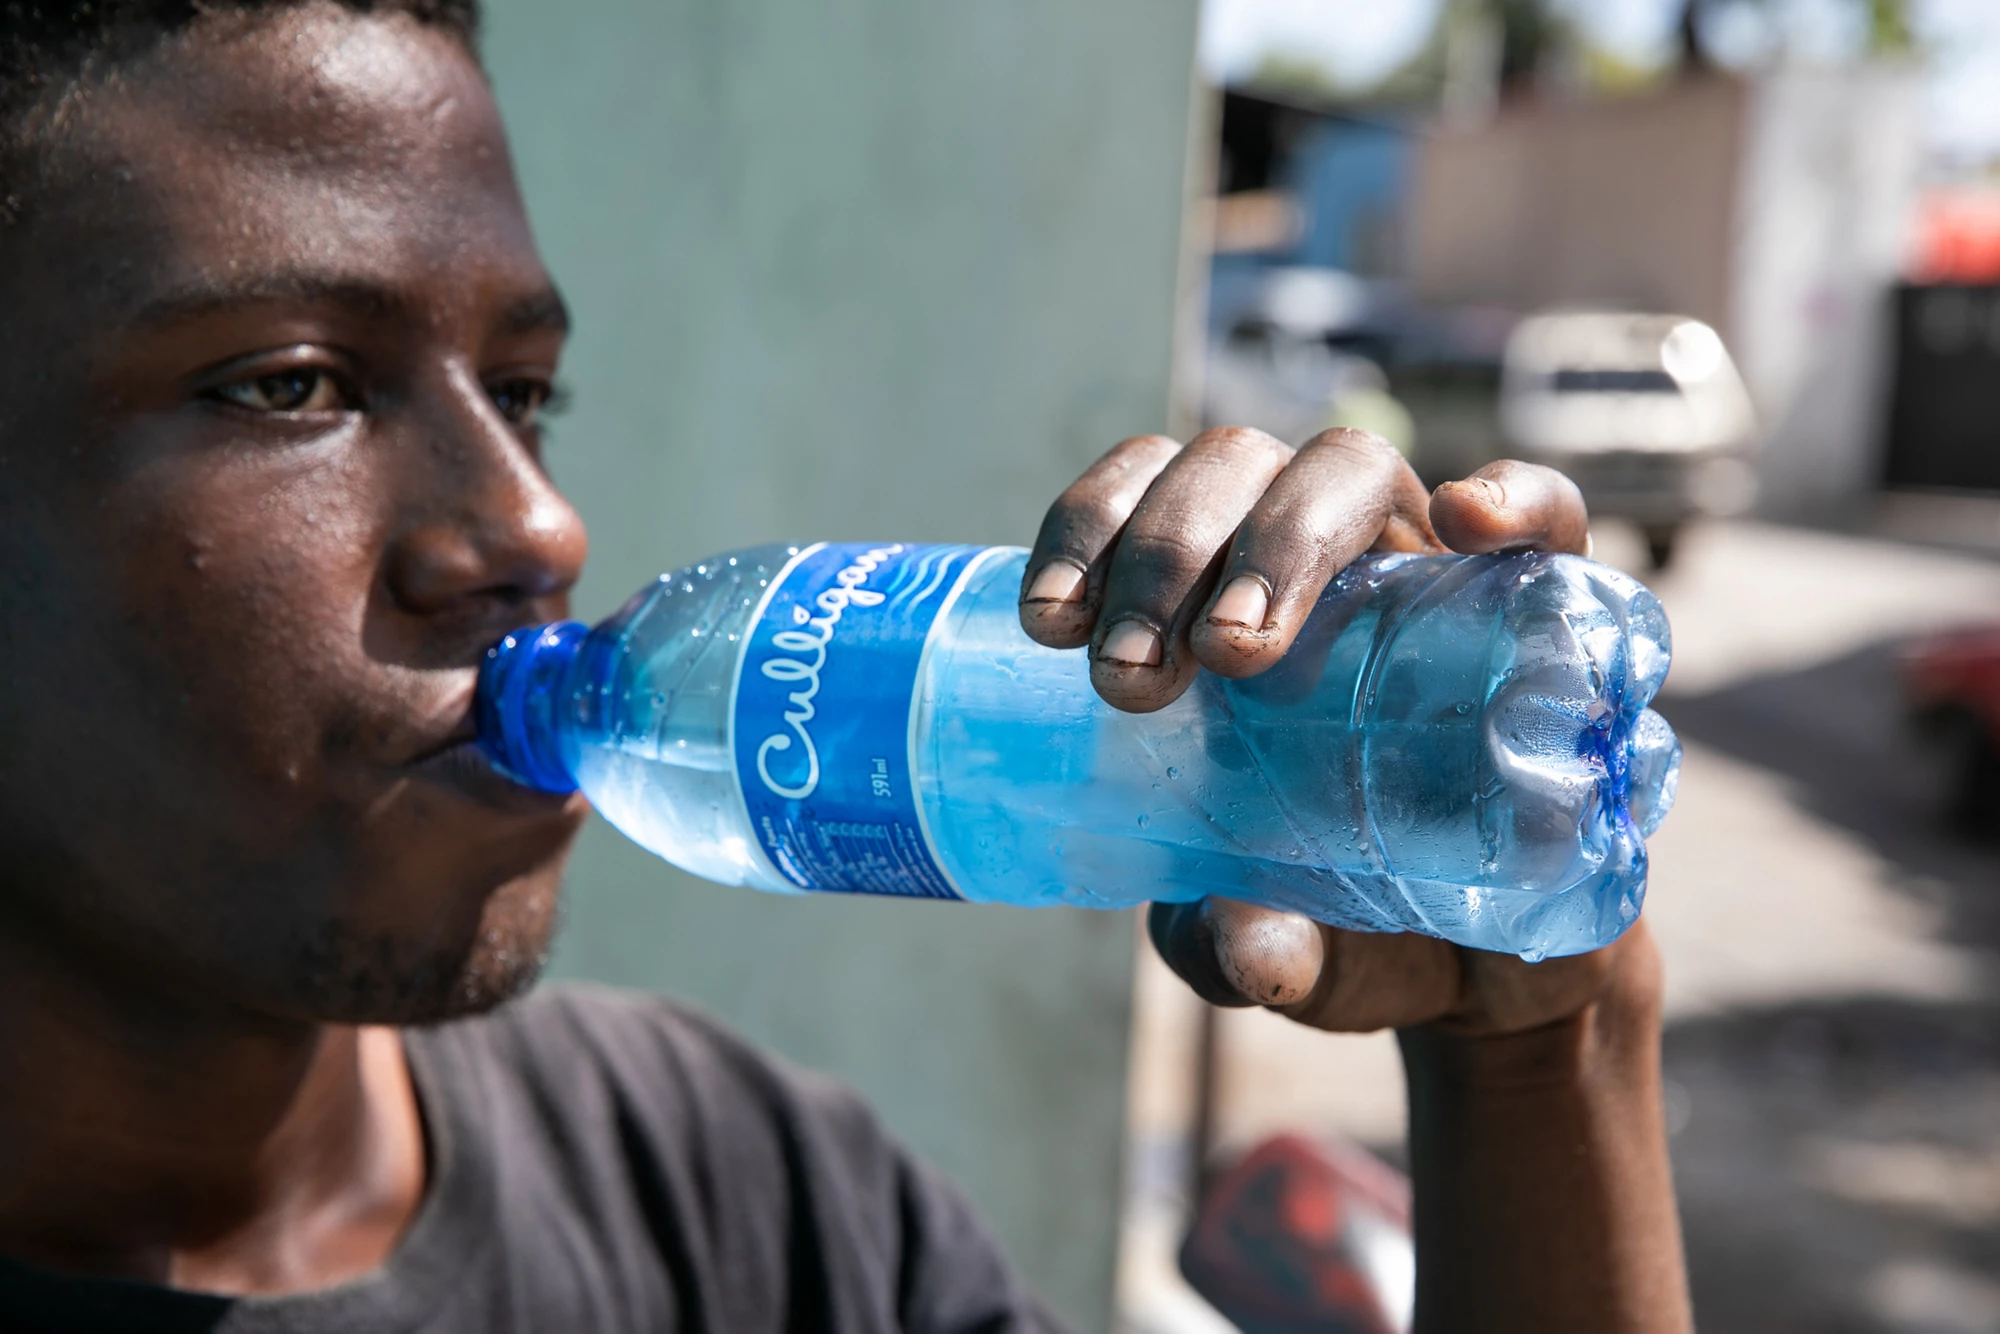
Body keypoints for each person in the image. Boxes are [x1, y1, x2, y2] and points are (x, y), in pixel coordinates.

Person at [0, 2, 1693, 1330]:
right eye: (291, 386)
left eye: (524, 394)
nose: (532, 524)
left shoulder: (737, 1202)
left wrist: (1540, 1060)